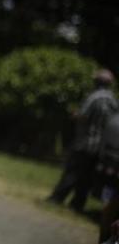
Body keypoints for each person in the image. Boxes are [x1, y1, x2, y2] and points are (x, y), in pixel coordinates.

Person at [47, 69, 118, 212]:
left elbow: (84, 116)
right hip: (101, 146)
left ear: (97, 82)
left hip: (85, 142)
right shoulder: (113, 100)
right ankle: (77, 204)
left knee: (72, 171)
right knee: (86, 177)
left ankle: (57, 198)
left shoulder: (93, 97)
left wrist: (75, 115)